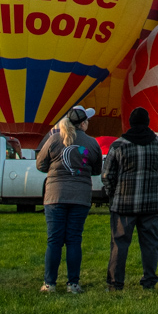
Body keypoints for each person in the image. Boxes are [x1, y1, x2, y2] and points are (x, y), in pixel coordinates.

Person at [101, 107, 158, 291]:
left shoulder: (118, 145)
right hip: (152, 205)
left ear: (130, 123)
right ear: (148, 122)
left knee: (119, 244)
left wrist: (114, 193)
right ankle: (149, 280)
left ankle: (115, 283)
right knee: (151, 244)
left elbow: (107, 175)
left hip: (123, 205)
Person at [36, 105, 101, 294]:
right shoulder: (92, 143)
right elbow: (97, 170)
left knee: (54, 240)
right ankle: (73, 284)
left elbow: (40, 164)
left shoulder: (54, 139)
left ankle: (50, 284)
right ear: (83, 123)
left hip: (55, 196)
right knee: (74, 240)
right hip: (80, 197)